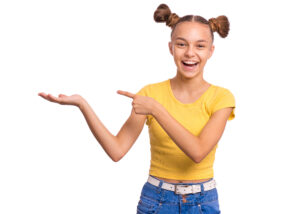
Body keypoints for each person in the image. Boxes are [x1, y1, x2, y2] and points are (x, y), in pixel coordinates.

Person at [38, 3, 235, 214]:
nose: (190, 53)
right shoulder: (150, 93)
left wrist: (156, 110)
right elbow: (117, 150)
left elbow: (198, 152)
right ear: (171, 48)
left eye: (200, 46)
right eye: (181, 44)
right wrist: (82, 105)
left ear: (211, 51)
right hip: (156, 200)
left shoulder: (221, 97)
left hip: (202, 203)